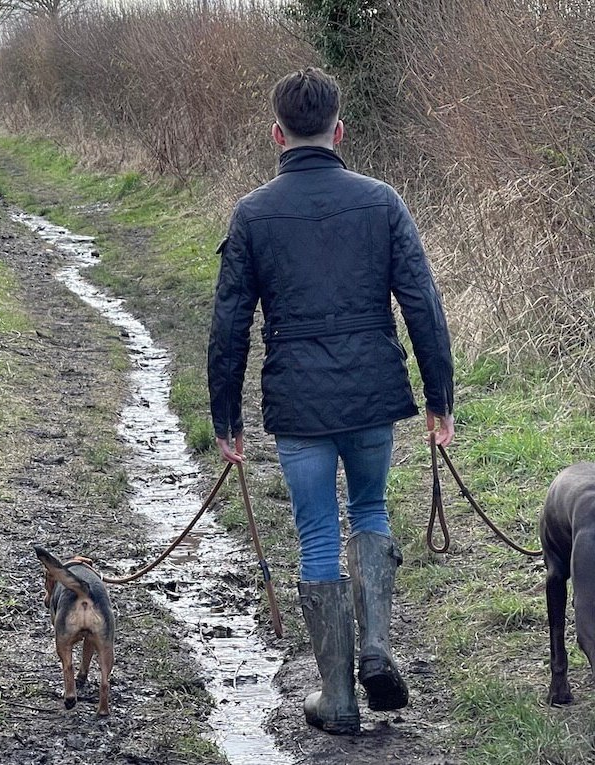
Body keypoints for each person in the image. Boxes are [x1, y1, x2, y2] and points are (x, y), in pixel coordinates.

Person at [208, 67, 454, 736]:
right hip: (373, 390)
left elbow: (229, 322)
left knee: (317, 529)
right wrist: (440, 398)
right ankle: (376, 643)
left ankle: (337, 697)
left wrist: (224, 418)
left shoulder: (253, 213)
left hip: (297, 399)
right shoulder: (381, 200)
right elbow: (422, 305)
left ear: (275, 134)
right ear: (338, 130)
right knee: (369, 508)